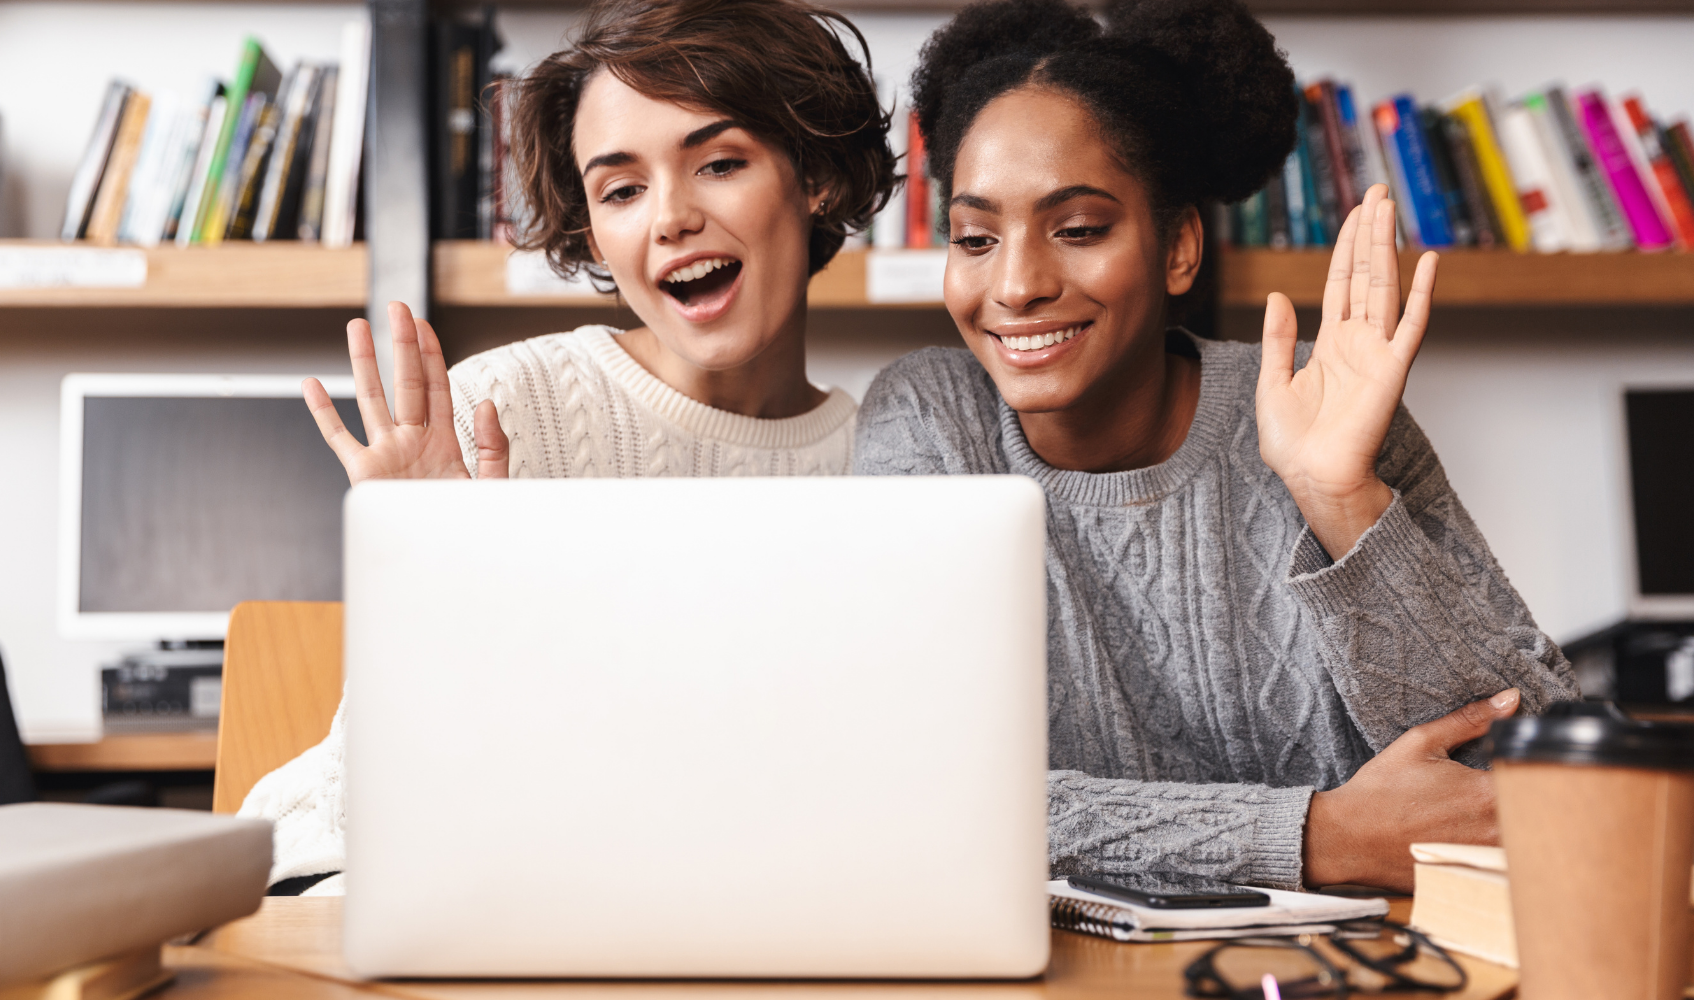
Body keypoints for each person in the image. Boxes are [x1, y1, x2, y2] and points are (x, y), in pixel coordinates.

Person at [853, 0, 1578, 892]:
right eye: (974, 238)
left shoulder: (1320, 401)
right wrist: (1324, 835)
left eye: (1078, 230)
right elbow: (917, 796)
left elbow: (1546, 781)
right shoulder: (931, 419)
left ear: (1181, 247)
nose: (1015, 284)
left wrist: (1340, 500)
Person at [238, 0, 898, 895]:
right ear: (592, 231)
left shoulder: (892, 460)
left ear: (815, 175)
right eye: (621, 189)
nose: (670, 219)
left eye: (720, 164)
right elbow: (378, 815)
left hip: (702, 901)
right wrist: (432, 589)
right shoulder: (498, 414)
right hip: (370, 882)